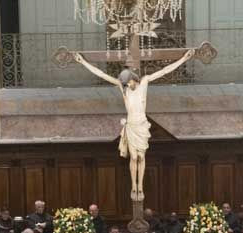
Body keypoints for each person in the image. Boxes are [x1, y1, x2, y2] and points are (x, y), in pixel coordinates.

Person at [74, 48, 195, 201]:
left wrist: (184, 59)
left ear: (134, 79)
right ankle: (133, 185)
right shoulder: (124, 89)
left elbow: (164, 71)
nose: (127, 85)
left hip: (141, 125)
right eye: (125, 84)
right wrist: (83, 62)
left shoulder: (144, 82)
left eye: (128, 82)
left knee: (141, 157)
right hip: (131, 126)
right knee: (133, 157)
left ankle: (140, 186)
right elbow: (102, 74)